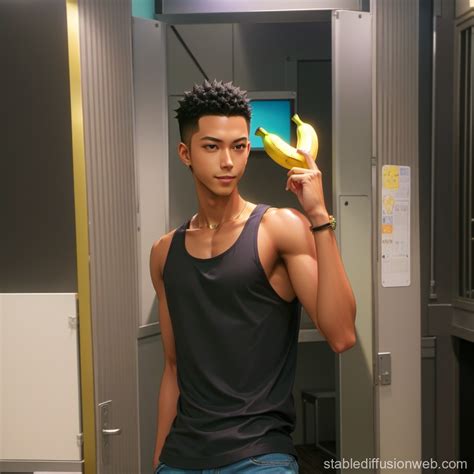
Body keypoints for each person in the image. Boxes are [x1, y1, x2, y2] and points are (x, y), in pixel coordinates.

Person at [149, 79, 356, 473]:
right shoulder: (164, 253)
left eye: (239, 146)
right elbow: (173, 368)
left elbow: (342, 334)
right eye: (212, 147)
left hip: (260, 456)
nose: (228, 161)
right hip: (181, 457)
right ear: (185, 153)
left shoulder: (279, 228)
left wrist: (318, 216)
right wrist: (159, 461)